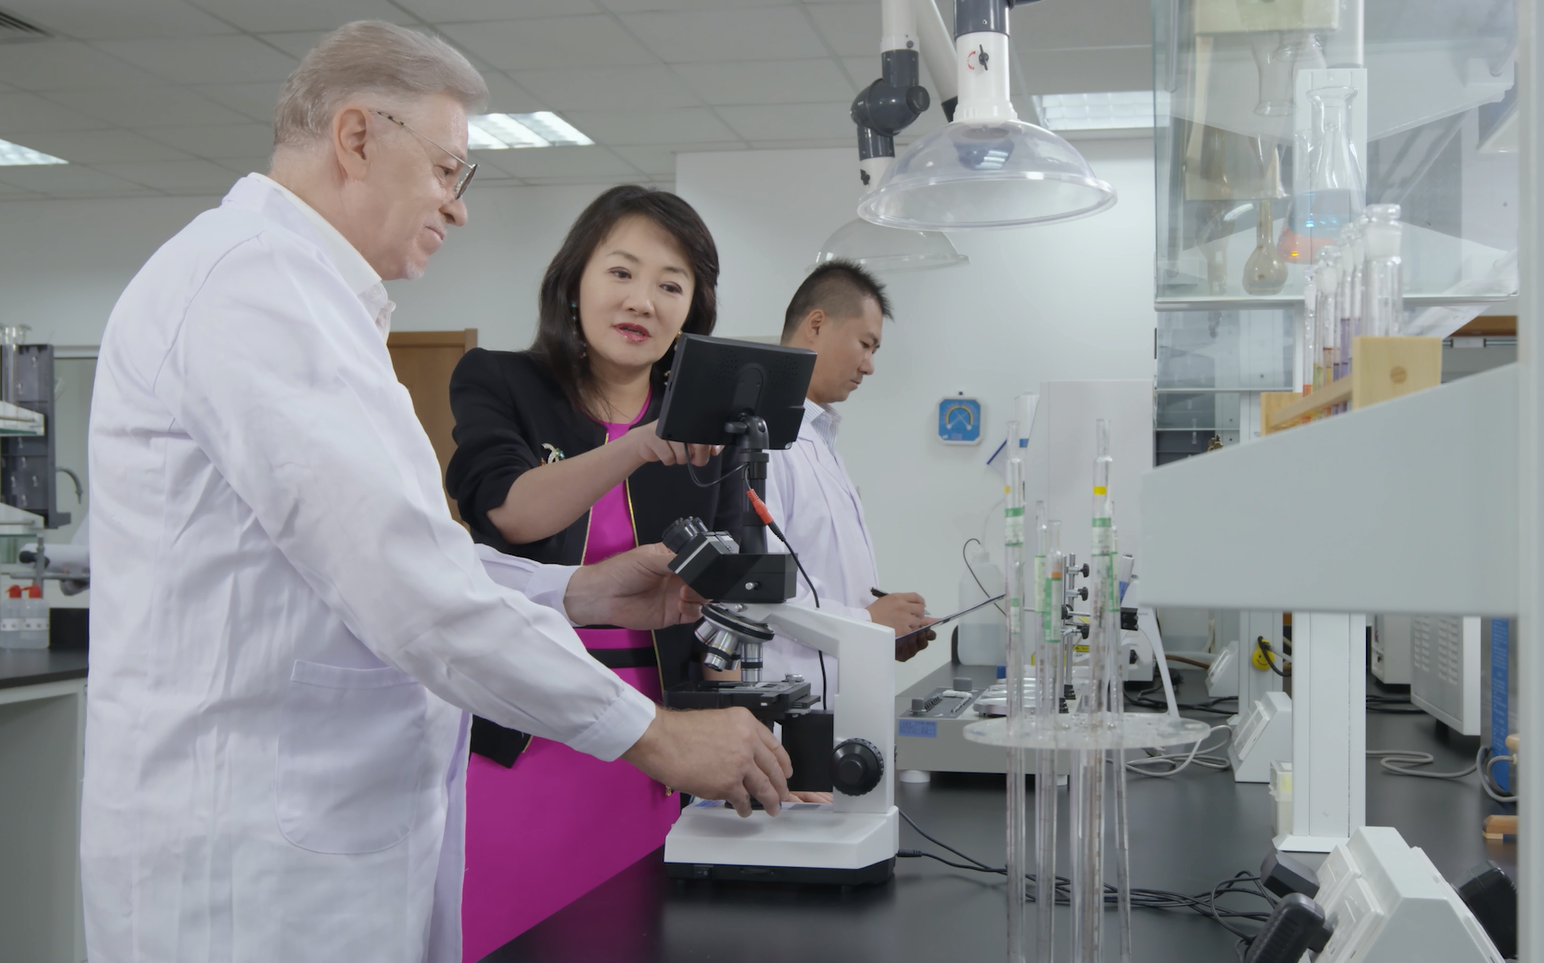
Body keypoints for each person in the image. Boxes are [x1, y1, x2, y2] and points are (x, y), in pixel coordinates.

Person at [81, 22, 790, 963]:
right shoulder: (250, 287)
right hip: (248, 869)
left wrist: (574, 589)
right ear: (356, 137)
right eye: (448, 170)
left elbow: (406, 553)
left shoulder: (312, 300)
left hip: (328, 835)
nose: (457, 208)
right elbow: (409, 587)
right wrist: (654, 734)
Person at [443, 185, 744, 953]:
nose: (642, 299)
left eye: (671, 284)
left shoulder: (708, 430)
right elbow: (508, 510)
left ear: (692, 311)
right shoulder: (500, 381)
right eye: (621, 272)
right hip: (524, 736)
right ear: (574, 280)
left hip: (656, 744)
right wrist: (636, 445)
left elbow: (732, 584)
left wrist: (743, 732)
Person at [760, 260, 936, 704]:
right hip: (789, 705)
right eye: (865, 344)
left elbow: (823, 578)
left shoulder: (820, 438)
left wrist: (883, 630)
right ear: (816, 325)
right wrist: (869, 622)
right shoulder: (761, 440)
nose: (869, 366)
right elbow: (761, 592)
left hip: (843, 698)